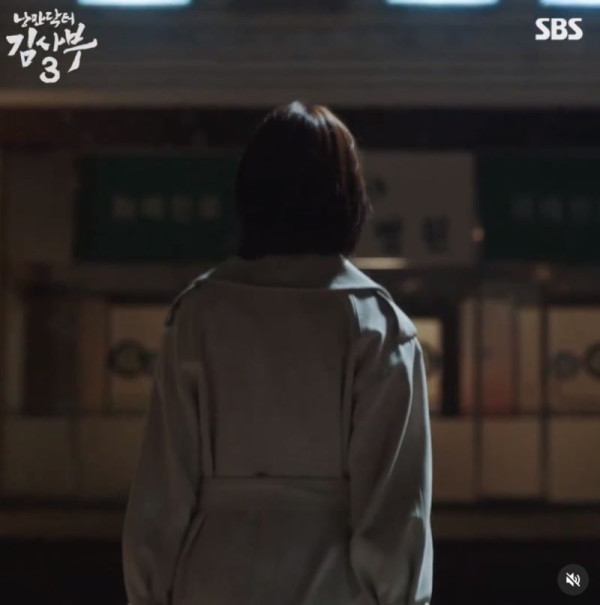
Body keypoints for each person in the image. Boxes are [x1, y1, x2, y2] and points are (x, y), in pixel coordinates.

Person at [122, 101, 433, 605]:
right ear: (349, 198)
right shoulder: (377, 325)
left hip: (211, 577)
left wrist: (149, 592)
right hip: (336, 583)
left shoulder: (198, 314)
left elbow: (162, 490)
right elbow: (396, 511)